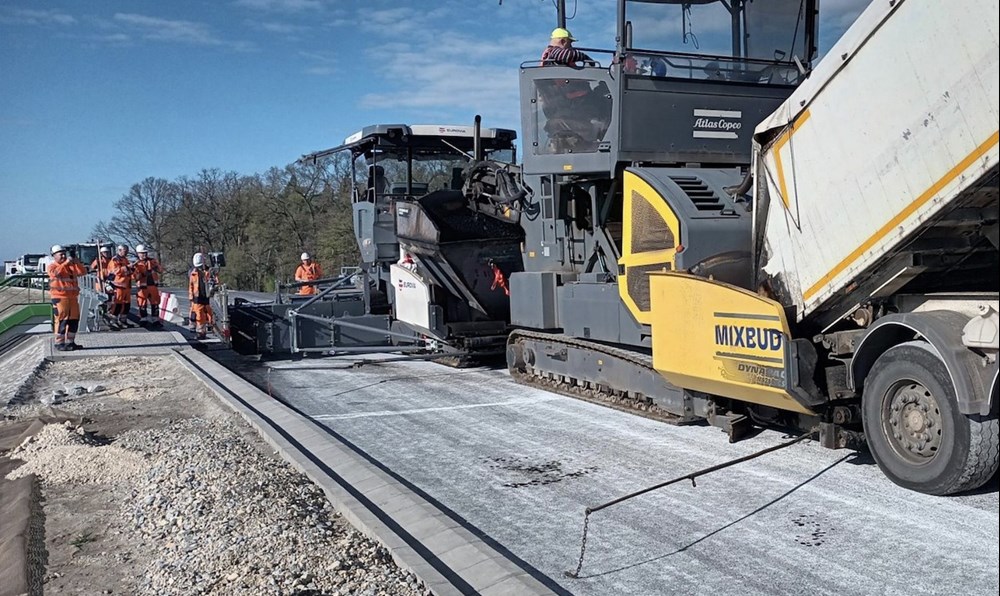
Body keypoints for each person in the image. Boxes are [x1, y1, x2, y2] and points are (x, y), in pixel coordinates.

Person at [46, 245, 88, 351]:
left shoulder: (70, 266)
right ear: (54, 256)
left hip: (72, 297)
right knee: (62, 320)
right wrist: (66, 263)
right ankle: (59, 343)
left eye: (64, 254)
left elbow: (83, 272)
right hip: (60, 297)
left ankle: (70, 342)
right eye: (61, 254)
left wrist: (76, 261)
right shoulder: (52, 266)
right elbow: (55, 274)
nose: (64, 256)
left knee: (74, 320)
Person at [132, 244, 163, 326]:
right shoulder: (136, 264)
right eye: (142, 253)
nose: (144, 255)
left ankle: (155, 320)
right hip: (142, 287)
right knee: (142, 304)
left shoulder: (153, 261)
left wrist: (156, 267)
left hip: (153, 285)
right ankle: (143, 319)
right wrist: (143, 274)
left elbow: (160, 270)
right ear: (138, 254)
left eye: (145, 253)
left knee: (155, 303)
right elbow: (134, 276)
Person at [189, 252, 215, 339]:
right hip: (197, 298)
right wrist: (191, 297)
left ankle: (211, 327)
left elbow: (215, 281)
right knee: (199, 316)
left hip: (207, 297)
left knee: (210, 314)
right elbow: (191, 286)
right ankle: (201, 332)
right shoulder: (193, 273)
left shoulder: (209, 272)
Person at [107, 244, 133, 329]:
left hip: (126, 285)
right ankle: (113, 321)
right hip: (118, 286)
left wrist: (131, 268)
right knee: (117, 305)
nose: (126, 253)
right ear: (119, 250)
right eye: (124, 251)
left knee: (126, 305)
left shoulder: (125, 259)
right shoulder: (115, 260)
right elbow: (115, 271)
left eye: (127, 251)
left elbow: (128, 270)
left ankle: (123, 320)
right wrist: (126, 267)